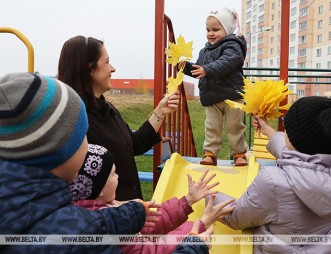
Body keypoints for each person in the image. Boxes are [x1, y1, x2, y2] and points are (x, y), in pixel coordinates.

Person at [0, 72, 156, 254]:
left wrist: (132, 212)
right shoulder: (81, 240)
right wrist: (193, 245)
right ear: (62, 147)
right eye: (83, 134)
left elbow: (91, 220)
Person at [58, 35, 180, 200]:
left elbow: (134, 144)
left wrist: (160, 112)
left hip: (128, 214)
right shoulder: (74, 123)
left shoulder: (107, 109)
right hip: (110, 220)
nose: (113, 69)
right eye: (107, 62)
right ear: (89, 69)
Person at [211, 96, 331, 253]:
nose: (284, 131)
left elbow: (235, 217)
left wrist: (209, 194)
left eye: (287, 127)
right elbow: (299, 159)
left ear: (298, 140)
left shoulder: (274, 182)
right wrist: (268, 130)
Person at [70, 143, 235, 253]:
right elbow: (152, 251)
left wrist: (187, 201)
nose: (118, 176)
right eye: (113, 173)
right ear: (101, 188)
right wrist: (199, 229)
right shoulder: (108, 230)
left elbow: (149, 226)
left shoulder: (101, 210)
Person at [182, 7, 248, 167]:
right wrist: (184, 66)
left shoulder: (233, 46)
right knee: (211, 127)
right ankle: (210, 153)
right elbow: (200, 70)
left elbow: (228, 61)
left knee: (235, 126)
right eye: (208, 30)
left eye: (216, 29)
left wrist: (207, 69)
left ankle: (239, 153)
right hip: (212, 96)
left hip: (232, 95)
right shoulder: (204, 51)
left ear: (227, 29)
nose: (211, 33)